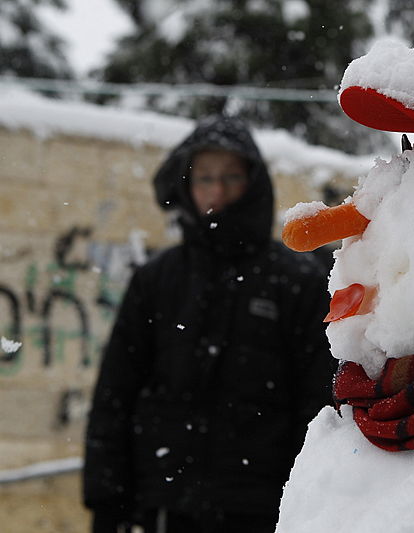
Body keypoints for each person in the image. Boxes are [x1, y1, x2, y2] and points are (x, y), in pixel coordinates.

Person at [83, 116, 333, 532]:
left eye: (231, 177)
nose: (217, 191)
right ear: (187, 185)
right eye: (205, 178)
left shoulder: (296, 281)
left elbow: (318, 404)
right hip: (164, 507)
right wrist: (108, 501)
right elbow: (115, 395)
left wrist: (311, 500)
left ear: (253, 183)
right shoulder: (156, 280)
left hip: (263, 509)